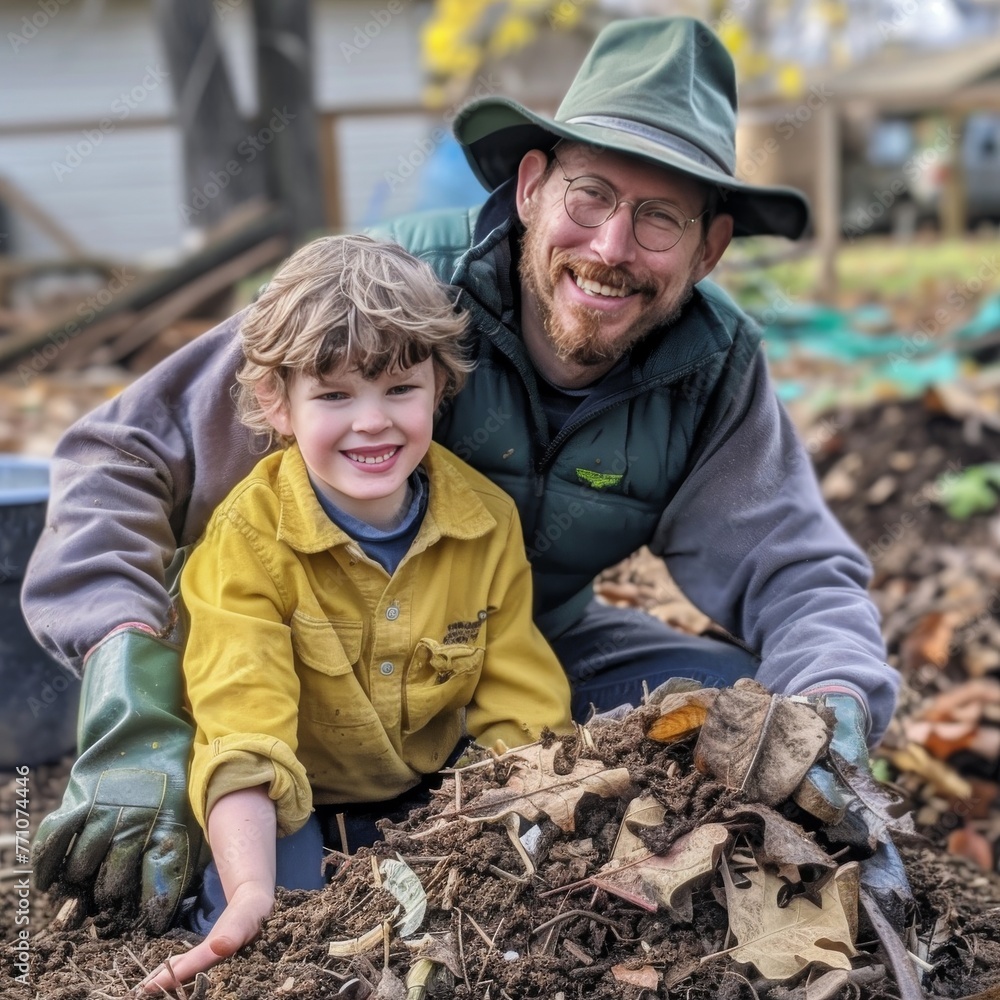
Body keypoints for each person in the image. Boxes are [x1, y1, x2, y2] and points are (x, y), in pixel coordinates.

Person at [27, 14, 901, 949]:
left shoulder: (715, 367)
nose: (611, 246)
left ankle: (505, 870)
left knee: (735, 710)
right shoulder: (394, 294)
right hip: (291, 659)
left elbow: (797, 568)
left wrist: (834, 703)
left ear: (711, 247)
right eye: (591, 195)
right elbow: (120, 456)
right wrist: (132, 698)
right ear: (531, 187)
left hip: (493, 653)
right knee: (252, 853)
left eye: (660, 219)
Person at [138, 233, 572, 991]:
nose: (371, 422)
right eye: (334, 395)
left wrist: (512, 834)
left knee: (481, 931)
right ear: (278, 402)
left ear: (440, 386)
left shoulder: (486, 521)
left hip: (432, 791)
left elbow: (520, 707)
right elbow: (243, 728)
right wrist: (248, 889)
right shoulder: (247, 540)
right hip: (289, 801)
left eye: (399, 389)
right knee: (279, 929)